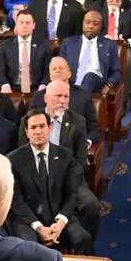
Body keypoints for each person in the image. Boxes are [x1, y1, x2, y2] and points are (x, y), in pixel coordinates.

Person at [20, 81, 100, 239]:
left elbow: (81, 162)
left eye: (66, 97)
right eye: (58, 96)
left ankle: (86, 246)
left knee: (91, 205)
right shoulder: (31, 121)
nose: (63, 101)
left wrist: (65, 182)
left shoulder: (78, 122)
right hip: (37, 180)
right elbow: (22, 157)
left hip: (70, 181)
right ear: (46, 98)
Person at [7, 108, 93, 255]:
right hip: (29, 220)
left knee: (83, 238)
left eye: (42, 126)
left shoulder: (65, 156)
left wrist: (60, 223)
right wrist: (39, 228)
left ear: (50, 128)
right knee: (29, 246)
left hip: (59, 216)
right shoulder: (13, 159)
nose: (38, 131)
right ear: (27, 132)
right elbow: (17, 201)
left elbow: (71, 194)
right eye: (33, 128)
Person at [30, 58, 100, 142]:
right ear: (50, 76)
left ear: (69, 74)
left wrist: (87, 142)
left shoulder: (83, 96)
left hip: (74, 145)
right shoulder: (39, 96)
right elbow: (29, 123)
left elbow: (93, 128)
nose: (57, 70)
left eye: (61, 68)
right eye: (54, 69)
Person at [59, 10, 122, 94]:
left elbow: (117, 71)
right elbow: (60, 67)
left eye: (95, 24)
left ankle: (78, 99)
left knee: (90, 76)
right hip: (72, 84)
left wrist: (108, 85)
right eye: (88, 22)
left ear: (100, 26)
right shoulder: (68, 43)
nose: (91, 26)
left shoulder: (109, 45)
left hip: (97, 83)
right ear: (83, 23)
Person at [0, 13, 51, 94]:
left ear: (33, 25)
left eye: (27, 23)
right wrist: (5, 86)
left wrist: (43, 85)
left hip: (37, 87)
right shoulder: (5, 46)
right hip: (12, 87)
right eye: (21, 22)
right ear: (16, 24)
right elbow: (1, 71)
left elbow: (48, 71)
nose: (24, 25)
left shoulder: (44, 46)